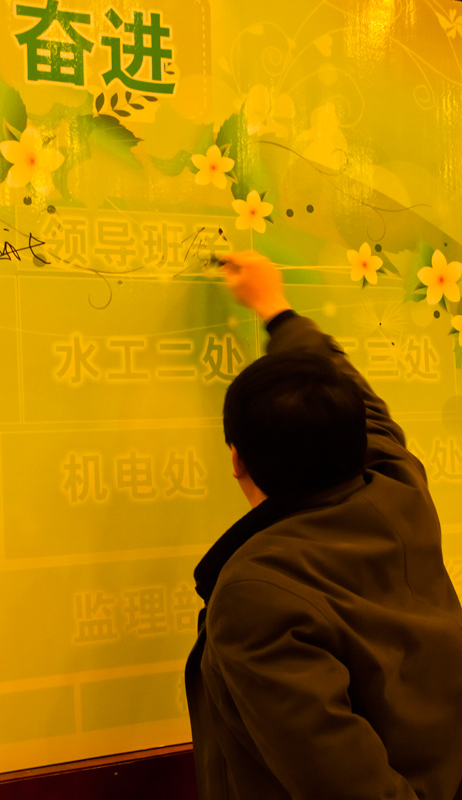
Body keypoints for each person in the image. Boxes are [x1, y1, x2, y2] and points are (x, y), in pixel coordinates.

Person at [185, 251, 462, 800]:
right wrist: (276, 308)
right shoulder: (397, 488)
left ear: (236, 459)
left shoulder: (256, 594)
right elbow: (359, 403)